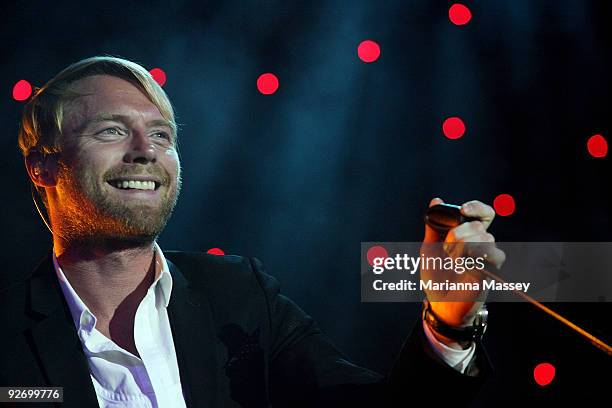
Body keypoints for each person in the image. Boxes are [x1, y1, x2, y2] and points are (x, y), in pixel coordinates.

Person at [0, 56, 504, 407]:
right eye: (111, 130)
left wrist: (448, 324)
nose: (146, 150)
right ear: (43, 165)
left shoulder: (240, 295)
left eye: (161, 135)